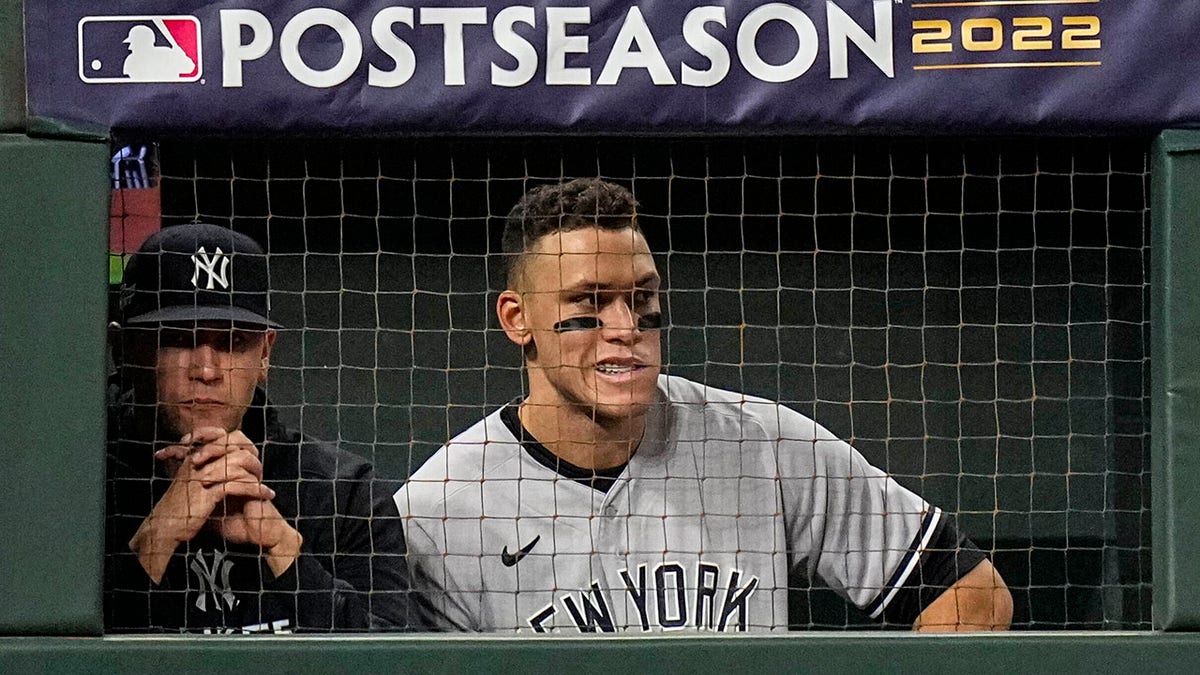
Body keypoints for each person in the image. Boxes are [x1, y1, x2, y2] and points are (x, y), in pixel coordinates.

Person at [394, 178, 1013, 633]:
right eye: (591, 300)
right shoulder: (441, 512)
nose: (625, 325)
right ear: (518, 318)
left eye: (641, 296)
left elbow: (972, 597)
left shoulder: (761, 445)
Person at [106, 223, 417, 633]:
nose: (206, 370)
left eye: (233, 342)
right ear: (125, 348)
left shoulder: (342, 494)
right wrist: (156, 539)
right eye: (179, 339)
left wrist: (284, 549)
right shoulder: (80, 491)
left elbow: (395, 662)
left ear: (266, 353)